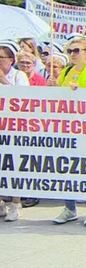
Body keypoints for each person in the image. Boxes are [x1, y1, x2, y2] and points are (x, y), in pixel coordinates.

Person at [50, 35, 86, 226]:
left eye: (76, 50)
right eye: (70, 51)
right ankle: (69, 207)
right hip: (67, 128)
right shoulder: (66, 72)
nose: (72, 54)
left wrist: (80, 91)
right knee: (67, 167)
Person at [0, 41, 30, 221]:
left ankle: (15, 203)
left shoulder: (19, 76)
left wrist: (3, 80)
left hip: (14, 127)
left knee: (13, 165)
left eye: (1, 58)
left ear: (11, 60)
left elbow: (22, 98)